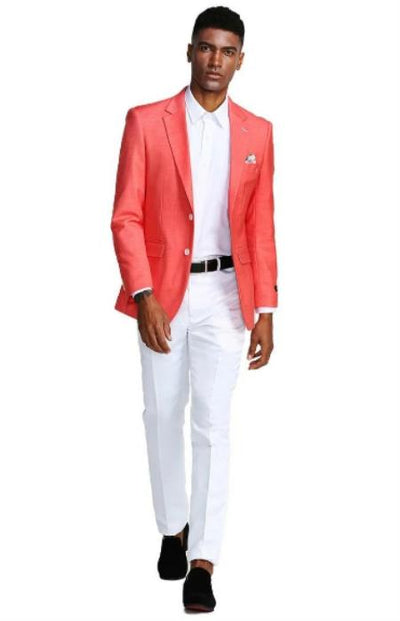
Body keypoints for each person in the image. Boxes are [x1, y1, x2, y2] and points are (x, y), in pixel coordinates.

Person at [110, 5, 278, 613]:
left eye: (227, 51)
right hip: (162, 293)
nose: (215, 61)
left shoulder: (257, 132)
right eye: (206, 48)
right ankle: (172, 526)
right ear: (189, 51)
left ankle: (203, 559)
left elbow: (261, 224)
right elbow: (125, 216)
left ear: (240, 60)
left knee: (213, 424)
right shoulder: (146, 121)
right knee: (161, 414)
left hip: (227, 296)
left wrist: (266, 307)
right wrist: (143, 295)